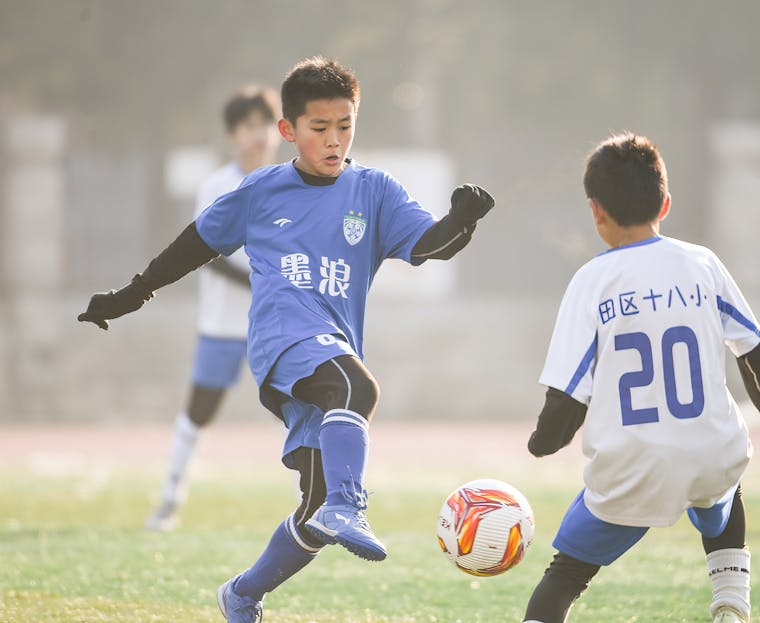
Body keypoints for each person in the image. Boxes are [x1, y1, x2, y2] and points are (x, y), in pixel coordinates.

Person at [78, 56, 495, 623]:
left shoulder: (374, 191)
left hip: (330, 347)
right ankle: (352, 503)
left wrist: (461, 221)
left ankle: (243, 593)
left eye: (345, 126)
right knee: (358, 389)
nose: (334, 140)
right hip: (282, 339)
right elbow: (195, 243)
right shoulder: (262, 190)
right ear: (289, 131)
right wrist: (134, 292)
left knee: (315, 507)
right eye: (319, 129)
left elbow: (430, 246)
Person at [521, 132, 760, 623]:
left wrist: (540, 444)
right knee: (722, 488)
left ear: (596, 210)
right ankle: (731, 603)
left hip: (634, 465)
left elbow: (567, 399)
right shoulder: (702, 263)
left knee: (567, 572)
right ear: (666, 202)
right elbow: (758, 359)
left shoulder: (592, 281)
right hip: (711, 451)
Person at [145, 85, 281, 532]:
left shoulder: (290, 184)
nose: (258, 135)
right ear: (233, 134)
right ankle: (169, 500)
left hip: (276, 325)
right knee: (199, 413)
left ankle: (319, 504)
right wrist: (260, 280)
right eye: (248, 127)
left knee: (302, 409)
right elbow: (207, 254)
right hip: (223, 324)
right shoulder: (218, 186)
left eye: (266, 125)